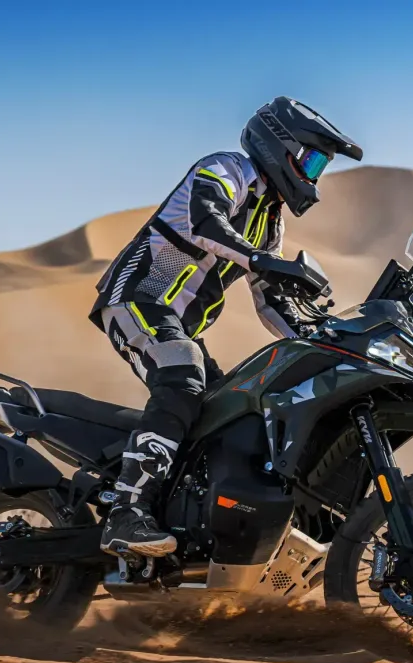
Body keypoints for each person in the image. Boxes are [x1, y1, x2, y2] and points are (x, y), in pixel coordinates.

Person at [89, 96, 363, 557]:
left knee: (231, 412)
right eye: (312, 159)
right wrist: (264, 260)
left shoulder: (269, 222)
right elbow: (204, 222)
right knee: (182, 376)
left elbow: (270, 303)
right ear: (281, 145)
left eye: (322, 166)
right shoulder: (227, 170)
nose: (314, 175)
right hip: (137, 299)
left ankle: (189, 524)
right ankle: (126, 512)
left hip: (179, 327)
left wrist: (322, 341)